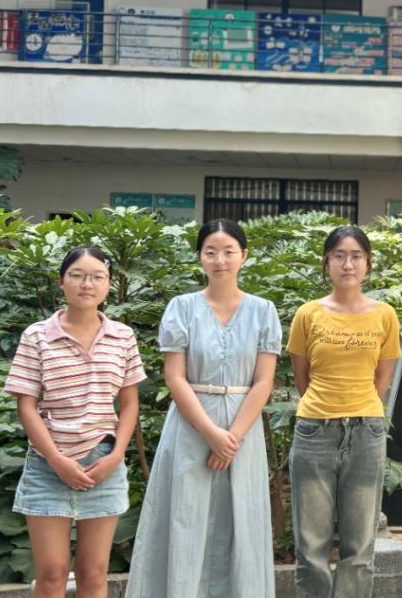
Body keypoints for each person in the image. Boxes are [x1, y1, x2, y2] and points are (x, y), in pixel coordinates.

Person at [125, 219, 281, 598]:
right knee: (186, 517)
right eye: (210, 252)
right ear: (200, 257)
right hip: (191, 427)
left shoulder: (263, 311)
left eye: (229, 252)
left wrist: (232, 438)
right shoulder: (181, 308)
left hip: (242, 433)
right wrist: (212, 434)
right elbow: (175, 377)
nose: (220, 260)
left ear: (244, 256)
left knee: (241, 520)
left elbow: (264, 382)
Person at [4, 246, 145, 598]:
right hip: (48, 463)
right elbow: (26, 405)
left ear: (108, 284)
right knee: (52, 573)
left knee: (93, 573)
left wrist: (116, 456)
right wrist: (56, 460)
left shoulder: (123, 336)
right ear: (61, 282)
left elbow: (129, 404)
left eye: (97, 277)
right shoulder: (37, 335)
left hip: (103, 463)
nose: (87, 284)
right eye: (77, 275)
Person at [287, 225, 402, 597]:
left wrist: (358, 408)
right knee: (311, 546)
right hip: (314, 432)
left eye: (356, 256)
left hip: (366, 433)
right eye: (339, 256)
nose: (347, 264)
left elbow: (382, 378)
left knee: (360, 547)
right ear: (327, 262)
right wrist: (326, 408)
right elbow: (302, 377)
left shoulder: (385, 315)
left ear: (368, 263)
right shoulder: (308, 314)